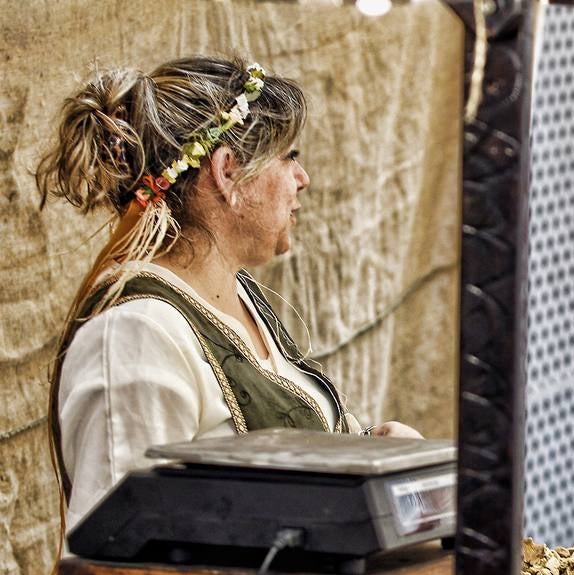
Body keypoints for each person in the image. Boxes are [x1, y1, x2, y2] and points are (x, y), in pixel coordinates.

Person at [37, 56, 421, 530]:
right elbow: (124, 562)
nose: (302, 179)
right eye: (290, 158)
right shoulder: (134, 336)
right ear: (227, 171)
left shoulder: (237, 295)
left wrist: (375, 457)